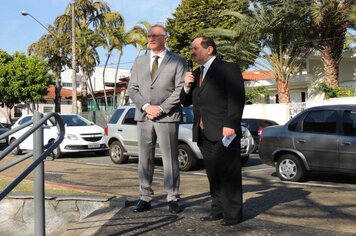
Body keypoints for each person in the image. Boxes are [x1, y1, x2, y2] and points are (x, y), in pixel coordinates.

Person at [180, 36, 245, 226]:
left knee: (229, 175)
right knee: (213, 175)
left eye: (195, 48)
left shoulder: (228, 68)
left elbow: (237, 98)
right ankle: (217, 210)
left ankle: (233, 214)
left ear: (209, 49)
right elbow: (185, 102)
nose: (192, 52)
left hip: (224, 132)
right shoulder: (196, 73)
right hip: (203, 133)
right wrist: (186, 85)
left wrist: (231, 123)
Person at [127, 24, 186, 214]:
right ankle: (145, 197)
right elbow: (132, 89)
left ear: (165, 38)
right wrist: (146, 107)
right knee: (144, 158)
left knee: (170, 159)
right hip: (144, 116)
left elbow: (180, 89)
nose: (150, 38)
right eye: (149, 35)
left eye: (155, 35)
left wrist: (160, 108)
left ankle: (173, 197)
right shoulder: (139, 61)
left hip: (168, 116)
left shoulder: (178, 61)